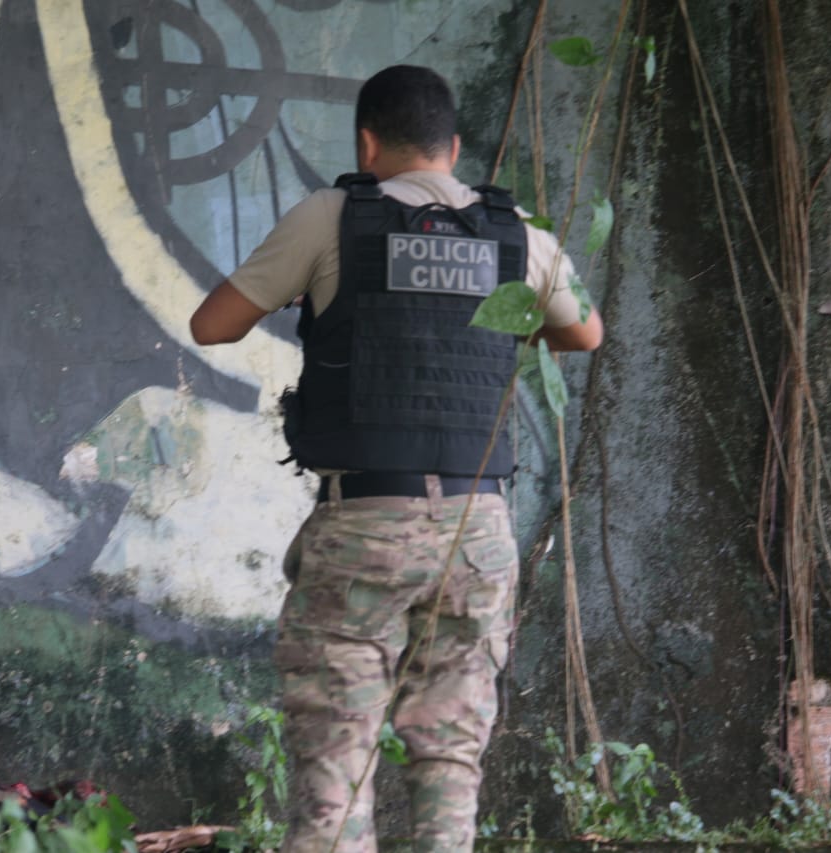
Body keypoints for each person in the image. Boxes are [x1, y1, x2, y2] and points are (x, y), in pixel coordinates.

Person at [189, 65, 603, 853]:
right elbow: (584, 333)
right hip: (475, 531)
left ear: (367, 141)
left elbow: (213, 326)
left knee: (335, 775)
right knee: (449, 758)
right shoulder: (516, 234)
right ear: (452, 149)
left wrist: (315, 290)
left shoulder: (333, 217)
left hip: (364, 529)